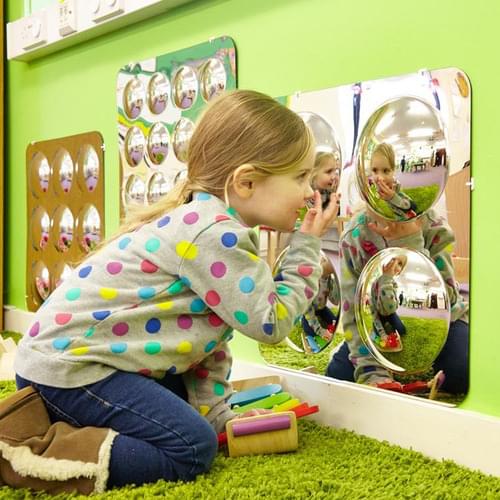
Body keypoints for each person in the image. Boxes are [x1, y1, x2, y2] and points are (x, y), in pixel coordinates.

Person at [10, 90, 339, 492]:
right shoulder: (214, 234)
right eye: (300, 177)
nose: (309, 192)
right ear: (246, 181)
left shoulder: (210, 225)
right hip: (69, 370)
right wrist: (306, 247)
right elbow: (271, 323)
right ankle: (31, 455)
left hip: (69, 365)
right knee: (191, 447)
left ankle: (51, 419)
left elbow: (202, 342)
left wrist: (217, 414)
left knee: (190, 416)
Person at [326, 206, 469, 394]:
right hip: (375, 321)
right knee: (338, 374)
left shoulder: (435, 226)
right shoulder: (354, 235)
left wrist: (411, 244)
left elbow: (448, 297)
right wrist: (371, 371)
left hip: (449, 320)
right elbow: (352, 309)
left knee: (461, 373)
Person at [300, 152, 341, 347]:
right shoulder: (311, 199)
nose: (334, 176)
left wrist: (335, 279)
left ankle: (319, 327)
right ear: (313, 174)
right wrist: (320, 331)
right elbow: (308, 311)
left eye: (336, 171)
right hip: (309, 311)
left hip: (320, 306)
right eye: (329, 171)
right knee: (310, 321)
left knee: (333, 321)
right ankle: (309, 335)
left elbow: (335, 299)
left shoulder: (329, 195)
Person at [368, 143, 417, 220]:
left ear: (393, 171)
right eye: (375, 170)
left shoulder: (395, 190)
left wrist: (393, 197)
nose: (380, 178)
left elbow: (413, 206)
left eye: (385, 171)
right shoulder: (373, 191)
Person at [370, 255, 408, 353]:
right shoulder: (375, 284)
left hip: (391, 313)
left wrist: (387, 279)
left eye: (400, 263)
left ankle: (391, 324)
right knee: (377, 333)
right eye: (393, 259)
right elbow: (373, 309)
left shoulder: (394, 284)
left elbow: (392, 308)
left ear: (399, 271)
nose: (395, 263)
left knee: (402, 331)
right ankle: (384, 327)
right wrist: (382, 333)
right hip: (378, 315)